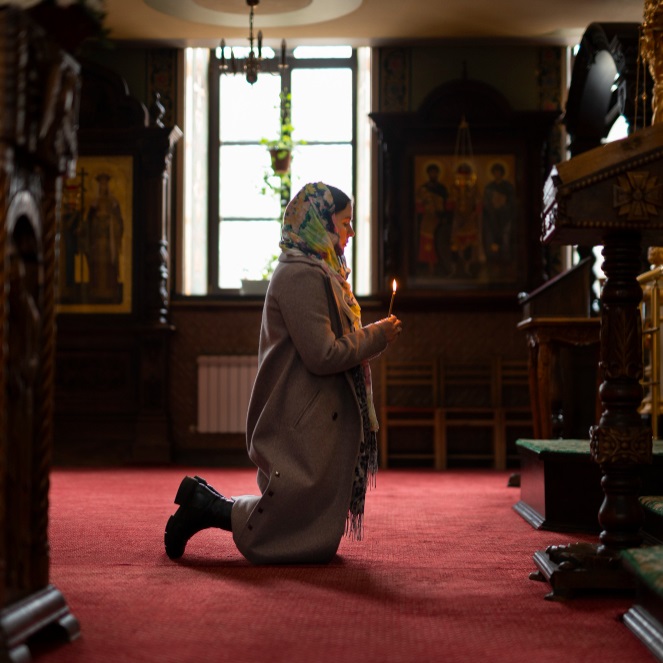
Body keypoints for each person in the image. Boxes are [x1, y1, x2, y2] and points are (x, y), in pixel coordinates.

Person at [164, 182, 403, 564]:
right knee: (290, 510)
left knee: (307, 520)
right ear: (319, 222)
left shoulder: (324, 271)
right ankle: (204, 506)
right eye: (345, 222)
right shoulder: (300, 276)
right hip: (299, 410)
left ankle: (204, 503)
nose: (352, 231)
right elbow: (322, 354)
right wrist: (376, 336)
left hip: (314, 407)